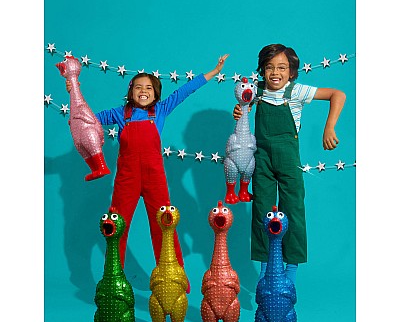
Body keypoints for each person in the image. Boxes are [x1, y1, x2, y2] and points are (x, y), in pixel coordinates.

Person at [67, 55, 229, 280]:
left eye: (149, 88)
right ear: (130, 91)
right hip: (126, 180)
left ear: (156, 93)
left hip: (155, 179)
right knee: (116, 226)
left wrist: (214, 71)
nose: (143, 91)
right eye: (138, 87)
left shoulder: (160, 110)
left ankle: (174, 277)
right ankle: (113, 278)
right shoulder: (119, 114)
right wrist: (73, 91)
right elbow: (88, 120)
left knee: (165, 223)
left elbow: (185, 91)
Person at [233, 44, 346, 283]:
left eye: (282, 67)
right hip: (262, 159)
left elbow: (338, 94)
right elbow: (244, 103)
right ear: (262, 70)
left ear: (292, 72)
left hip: (288, 161)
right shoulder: (257, 90)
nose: (275, 72)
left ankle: (291, 270)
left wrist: (329, 127)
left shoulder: (297, 91)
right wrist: (240, 110)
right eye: (269, 67)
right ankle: (265, 269)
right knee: (261, 209)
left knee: (293, 209)